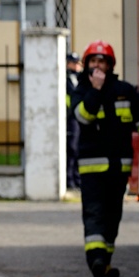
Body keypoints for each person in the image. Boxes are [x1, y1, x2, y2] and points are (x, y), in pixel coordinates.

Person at [69, 39, 139, 277]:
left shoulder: (124, 90)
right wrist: (95, 90)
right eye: (93, 61)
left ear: (110, 65)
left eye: (102, 61)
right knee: (94, 213)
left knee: (113, 215)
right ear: (86, 64)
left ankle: (105, 261)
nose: (98, 65)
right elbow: (84, 117)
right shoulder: (79, 91)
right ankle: (95, 259)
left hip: (119, 167)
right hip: (92, 168)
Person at [64, 52, 83, 190]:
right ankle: (69, 178)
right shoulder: (65, 79)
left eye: (78, 63)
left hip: (79, 118)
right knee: (71, 149)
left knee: (77, 150)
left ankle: (76, 177)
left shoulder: (80, 79)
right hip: (71, 118)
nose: (77, 66)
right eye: (74, 63)